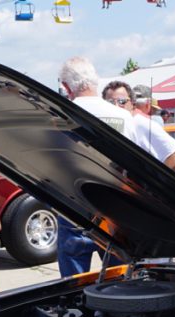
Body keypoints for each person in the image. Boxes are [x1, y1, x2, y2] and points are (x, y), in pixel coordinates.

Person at [56, 57, 135, 277]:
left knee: (73, 286)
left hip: (74, 207)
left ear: (66, 87)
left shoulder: (58, 117)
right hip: (114, 208)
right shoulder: (124, 117)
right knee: (117, 282)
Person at [103, 81, 175, 170]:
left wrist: (154, 180)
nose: (116, 106)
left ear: (132, 103)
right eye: (111, 102)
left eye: (122, 101)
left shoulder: (140, 123)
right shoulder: (111, 125)